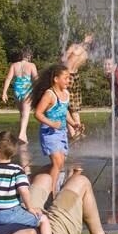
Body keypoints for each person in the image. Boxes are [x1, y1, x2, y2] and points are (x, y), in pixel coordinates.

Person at [32, 63, 71, 194]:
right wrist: (51, 124)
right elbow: (37, 113)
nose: (68, 81)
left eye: (69, 78)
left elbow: (64, 112)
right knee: (57, 162)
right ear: (56, 79)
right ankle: (52, 192)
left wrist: (74, 124)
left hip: (62, 133)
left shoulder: (65, 93)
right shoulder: (50, 94)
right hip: (49, 133)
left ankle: (34, 177)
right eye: (66, 78)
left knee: (59, 164)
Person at [1, 47, 39, 143]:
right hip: (27, 90)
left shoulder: (14, 65)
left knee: (22, 113)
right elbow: (35, 79)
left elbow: (8, 78)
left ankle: (23, 135)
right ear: (29, 55)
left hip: (17, 90)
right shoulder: (31, 65)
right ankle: (22, 134)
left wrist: (4, 92)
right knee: (26, 113)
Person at [62, 33, 94, 139]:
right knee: (74, 107)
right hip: (76, 77)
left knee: (64, 105)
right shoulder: (86, 54)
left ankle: (72, 132)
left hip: (67, 75)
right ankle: (78, 130)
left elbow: (63, 59)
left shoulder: (74, 46)